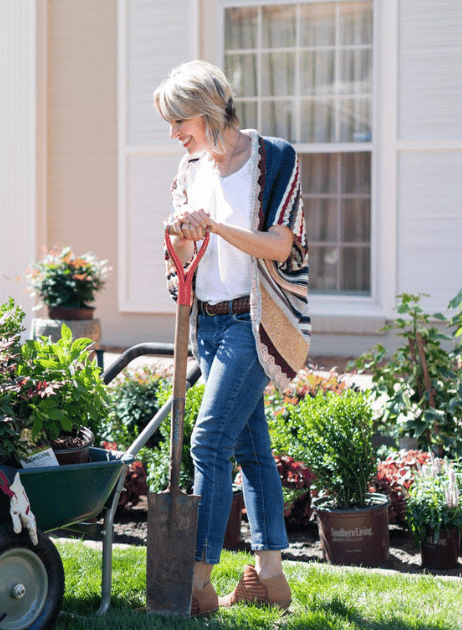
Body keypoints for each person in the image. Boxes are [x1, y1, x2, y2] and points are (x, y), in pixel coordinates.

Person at [153, 60, 310, 616]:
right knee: (250, 448)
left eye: (179, 121)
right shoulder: (189, 169)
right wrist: (182, 229)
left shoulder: (275, 159)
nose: (175, 134)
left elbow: (279, 246)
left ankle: (195, 580)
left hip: (254, 321)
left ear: (208, 109)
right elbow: (184, 250)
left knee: (208, 440)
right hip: (209, 322)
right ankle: (270, 577)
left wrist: (215, 225)